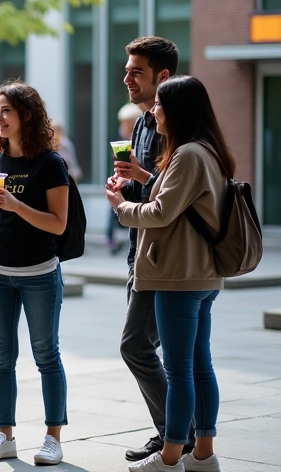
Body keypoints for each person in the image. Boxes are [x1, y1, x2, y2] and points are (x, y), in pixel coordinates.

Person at [106, 76, 229, 472]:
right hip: (199, 274)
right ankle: (203, 455)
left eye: (159, 104)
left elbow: (159, 213)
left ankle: (171, 457)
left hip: (177, 275)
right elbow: (173, 200)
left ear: (176, 109)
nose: (153, 111)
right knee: (198, 366)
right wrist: (141, 182)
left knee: (179, 371)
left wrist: (120, 206)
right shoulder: (205, 150)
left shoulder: (188, 154)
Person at [0, 81, 70, 466]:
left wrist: (14, 203)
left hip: (40, 273)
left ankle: (53, 437)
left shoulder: (50, 163)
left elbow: (58, 224)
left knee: (46, 354)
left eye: (6, 111)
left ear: (26, 115)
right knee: (2, 358)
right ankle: (5, 435)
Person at [110, 37, 196, 462]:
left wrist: (139, 183)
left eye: (135, 71)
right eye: (127, 70)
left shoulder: (177, 128)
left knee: (136, 346)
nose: (126, 78)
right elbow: (150, 188)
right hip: (139, 249)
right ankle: (174, 433)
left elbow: (172, 199)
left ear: (163, 77)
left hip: (166, 255)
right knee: (148, 347)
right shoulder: (144, 122)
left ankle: (178, 436)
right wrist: (127, 183)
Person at [108, 103, 143, 255]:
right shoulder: (123, 141)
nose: (124, 130)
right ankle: (111, 238)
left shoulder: (142, 143)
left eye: (128, 127)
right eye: (123, 126)